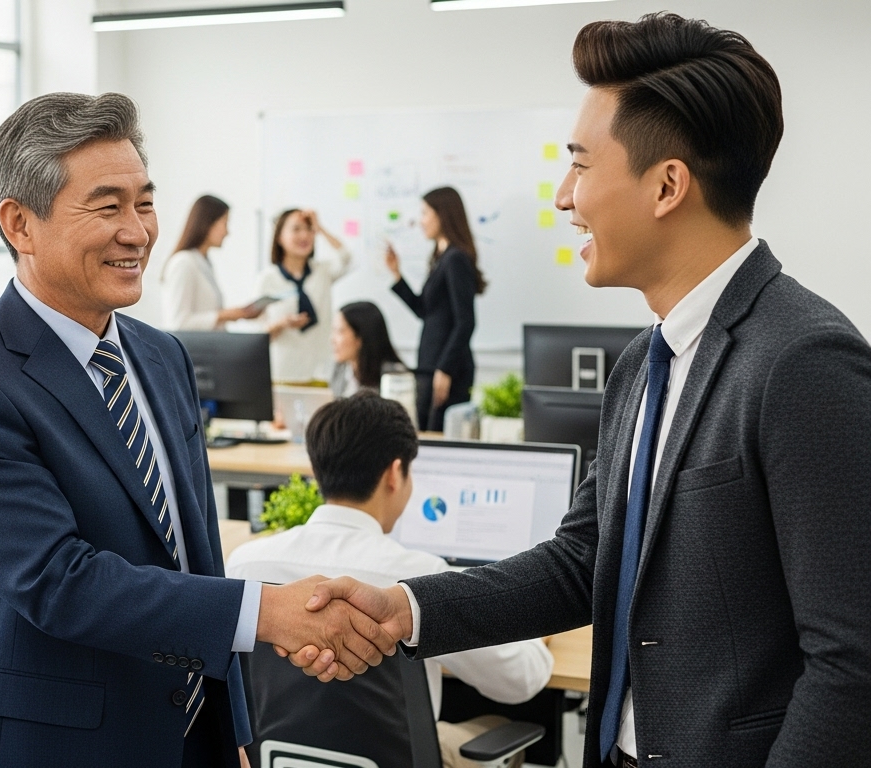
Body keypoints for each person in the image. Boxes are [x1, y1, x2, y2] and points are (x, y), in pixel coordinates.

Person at [289, 13, 871, 767]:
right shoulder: (642, 362)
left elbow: (853, 664)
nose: (564, 197)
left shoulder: (803, 360)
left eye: (581, 165)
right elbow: (584, 559)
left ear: (668, 186)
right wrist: (406, 609)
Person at [0, 92, 399, 768]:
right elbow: (61, 583)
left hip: (190, 739)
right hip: (50, 748)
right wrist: (266, 614)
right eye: (108, 206)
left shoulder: (161, 354)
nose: (137, 231)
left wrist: (232, 725)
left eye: (144, 202)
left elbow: (196, 551)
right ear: (21, 225)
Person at [227, 392, 552, 768]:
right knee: (495, 725)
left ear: (318, 470)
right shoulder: (418, 577)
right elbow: (521, 680)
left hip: (276, 759)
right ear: (395, 473)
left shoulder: (245, 563)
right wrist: (536, 633)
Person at [384, 187, 484, 431]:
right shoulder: (441, 257)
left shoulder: (455, 259)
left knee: (436, 438)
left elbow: (466, 321)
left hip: (446, 368)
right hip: (431, 365)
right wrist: (397, 274)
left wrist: (444, 369)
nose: (421, 221)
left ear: (443, 215)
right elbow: (425, 311)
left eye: (426, 213)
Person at [254, 209, 351, 383]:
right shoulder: (267, 279)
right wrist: (282, 324)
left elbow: (347, 258)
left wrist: (320, 228)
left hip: (321, 372)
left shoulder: (322, 272)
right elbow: (258, 334)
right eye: (296, 229)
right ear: (279, 237)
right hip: (282, 372)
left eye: (309, 229)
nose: (304, 235)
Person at [160, 195, 264, 331]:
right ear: (208, 222)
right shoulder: (183, 262)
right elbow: (178, 323)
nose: (227, 232)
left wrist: (237, 314)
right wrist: (224, 315)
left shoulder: (204, 263)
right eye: (225, 223)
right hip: (195, 350)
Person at [329, 301, 406, 398]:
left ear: (360, 337)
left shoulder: (394, 376)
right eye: (333, 331)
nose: (332, 339)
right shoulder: (340, 370)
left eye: (340, 331)